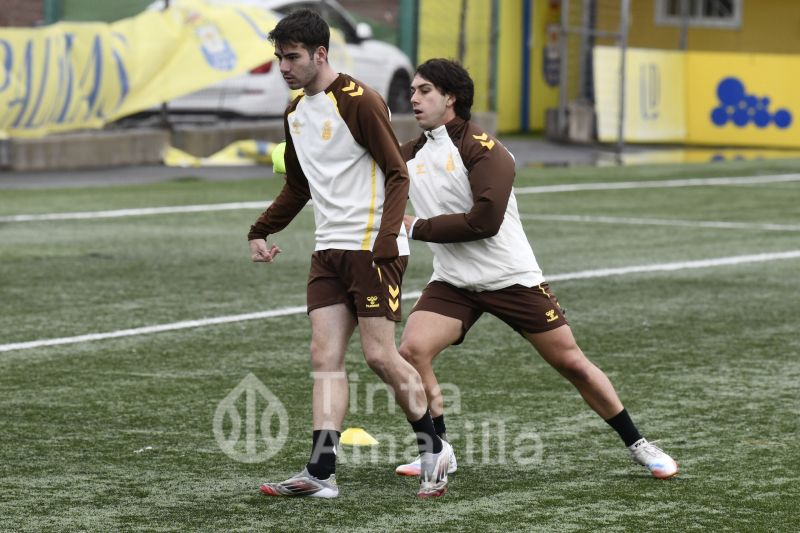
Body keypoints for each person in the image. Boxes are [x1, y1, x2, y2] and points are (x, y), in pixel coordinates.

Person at [393, 58, 678, 480]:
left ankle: (638, 444)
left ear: (450, 98)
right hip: (454, 281)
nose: (413, 98)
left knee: (573, 364)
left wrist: (416, 227)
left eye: (424, 91)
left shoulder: (487, 151)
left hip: (512, 279)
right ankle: (438, 449)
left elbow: (484, 222)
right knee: (411, 352)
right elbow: (364, 174)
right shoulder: (411, 154)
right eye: (414, 90)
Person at [248, 11, 451, 499]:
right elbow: (298, 185)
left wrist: (386, 239)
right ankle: (321, 473)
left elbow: (397, 171)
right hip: (328, 250)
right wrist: (261, 228)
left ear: (320, 54)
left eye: (292, 57)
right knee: (324, 356)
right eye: (279, 57)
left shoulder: (359, 100)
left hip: (371, 248)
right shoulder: (295, 113)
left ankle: (434, 449)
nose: (284, 67)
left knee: (381, 356)